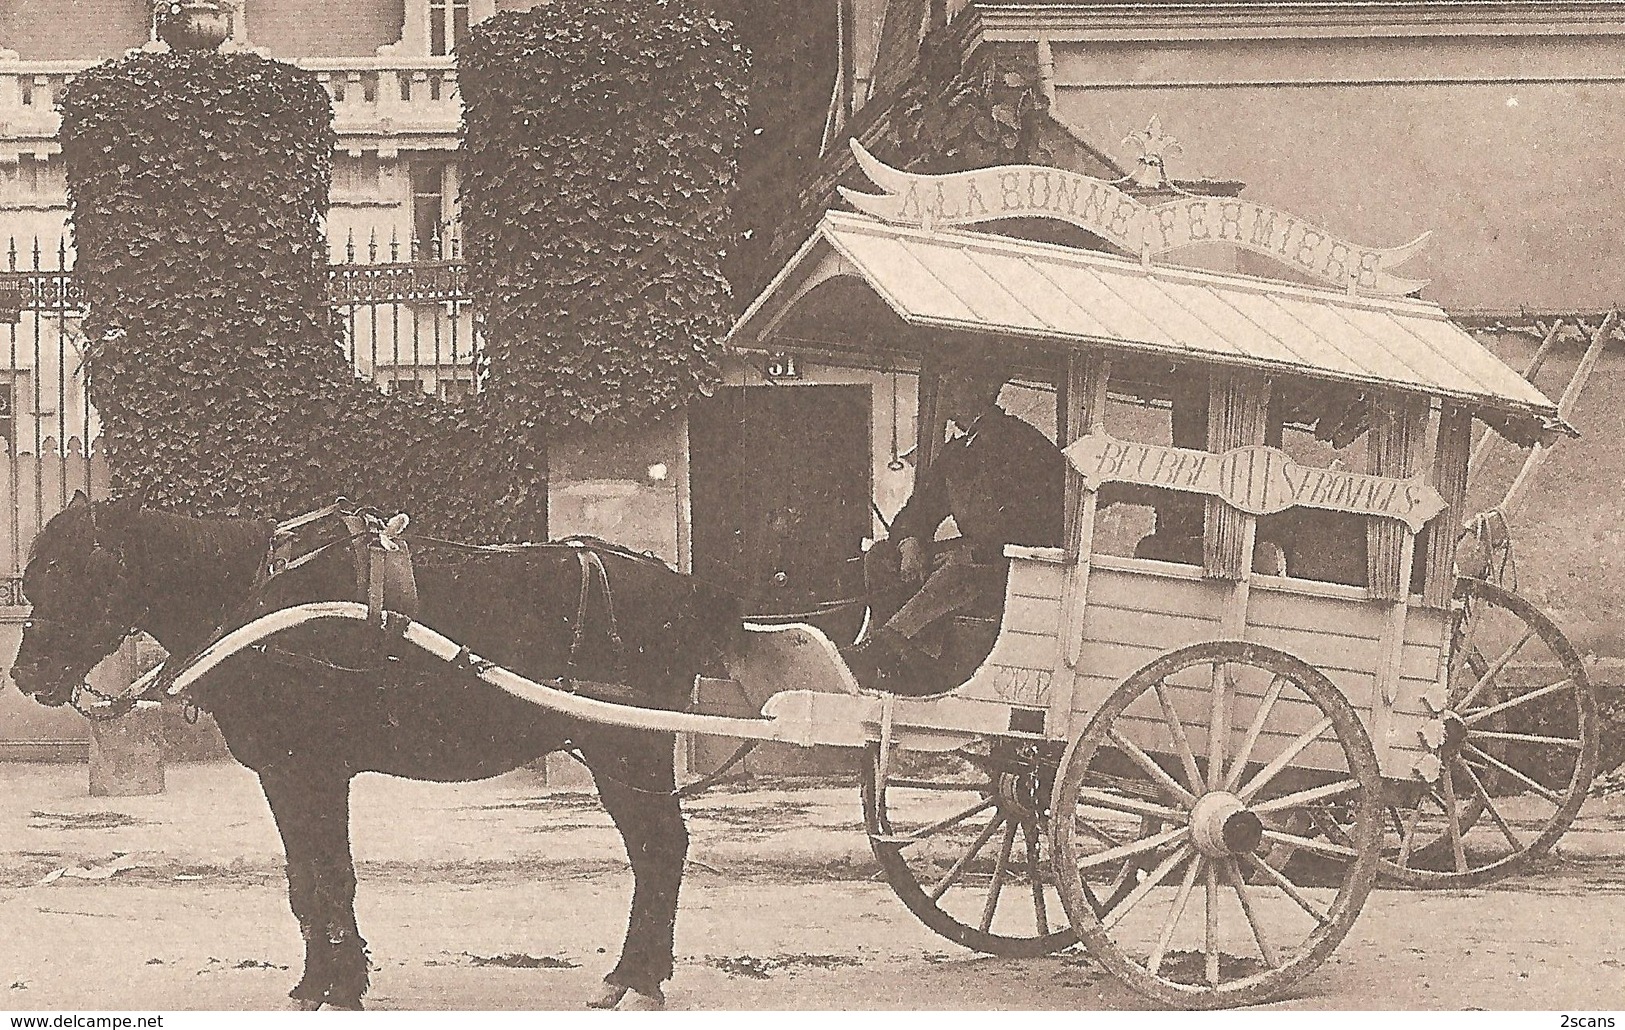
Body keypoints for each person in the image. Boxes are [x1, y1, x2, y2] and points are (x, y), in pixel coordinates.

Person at [845, 353, 1065, 695]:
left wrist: (981, 548)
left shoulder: (1023, 444)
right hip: (974, 562)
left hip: (1018, 570)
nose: (944, 390)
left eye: (952, 380)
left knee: (959, 566)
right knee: (880, 556)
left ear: (977, 388)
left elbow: (1049, 519)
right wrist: (911, 544)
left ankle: (891, 645)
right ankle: (906, 654)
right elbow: (917, 511)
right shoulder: (957, 452)